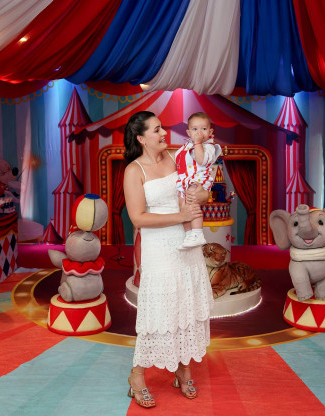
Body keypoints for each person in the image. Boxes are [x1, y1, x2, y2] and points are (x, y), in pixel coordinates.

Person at [122, 111, 214, 409]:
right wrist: (180, 215)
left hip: (187, 244)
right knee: (159, 311)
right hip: (159, 249)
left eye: (162, 128)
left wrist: (202, 196)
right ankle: (137, 375)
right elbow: (138, 218)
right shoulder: (134, 170)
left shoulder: (178, 157)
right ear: (141, 138)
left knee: (186, 306)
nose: (164, 133)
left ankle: (183, 369)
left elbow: (203, 190)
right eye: (157, 130)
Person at [175, 112, 222, 250]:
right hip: (185, 182)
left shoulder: (208, 146)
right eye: (195, 129)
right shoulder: (185, 146)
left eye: (204, 129)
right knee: (182, 206)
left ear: (210, 132)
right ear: (188, 132)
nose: (199, 133)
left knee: (192, 202)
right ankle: (189, 235)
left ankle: (197, 233)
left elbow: (201, 160)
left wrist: (197, 143)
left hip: (199, 180)